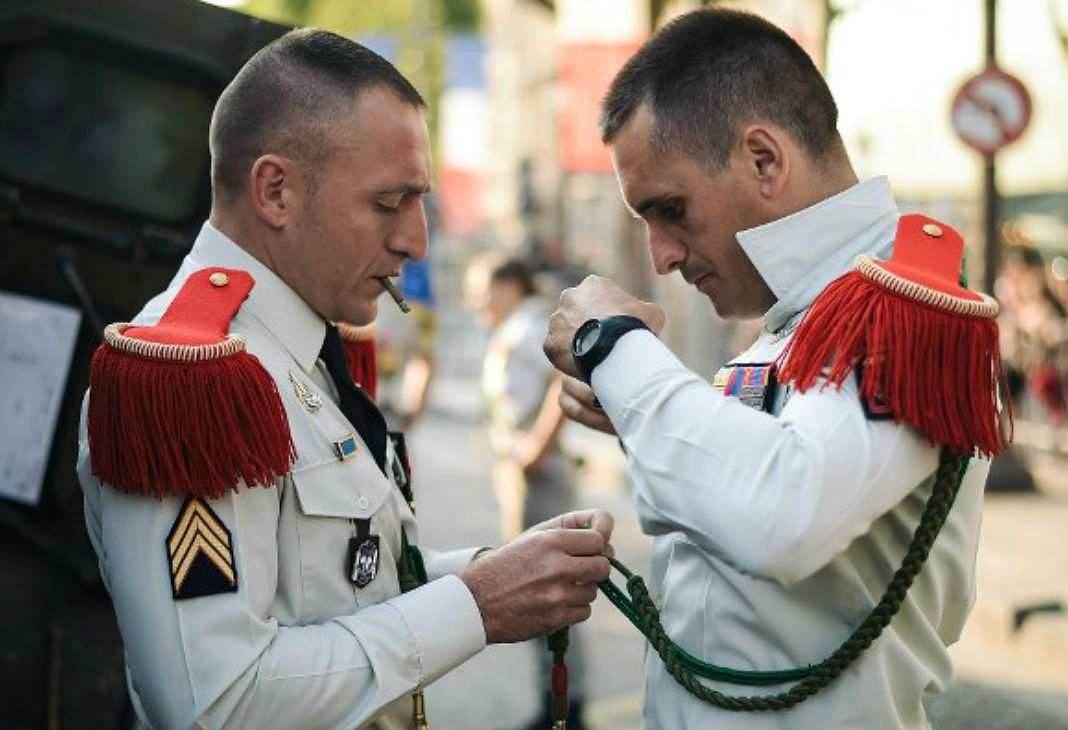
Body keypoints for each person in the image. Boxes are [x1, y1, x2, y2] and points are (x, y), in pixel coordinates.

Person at [76, 29, 612, 730]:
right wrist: (474, 605)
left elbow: (343, 583)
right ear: (275, 191)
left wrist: (502, 571)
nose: (415, 241)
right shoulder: (191, 379)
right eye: (389, 203)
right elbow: (214, 703)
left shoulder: (303, 346)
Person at [542, 9, 997, 730]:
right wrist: (639, 410)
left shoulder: (905, 307)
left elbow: (782, 516)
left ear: (764, 159)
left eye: (670, 209)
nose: (660, 254)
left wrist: (613, 346)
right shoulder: (811, 313)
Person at [463, 255, 589, 729]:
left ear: (511, 285)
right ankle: (555, 701)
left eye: (483, 292)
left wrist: (537, 444)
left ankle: (567, 708)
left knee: (554, 592)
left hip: (542, 475)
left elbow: (566, 374)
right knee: (539, 594)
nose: (478, 303)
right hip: (520, 474)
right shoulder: (512, 326)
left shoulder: (536, 325)